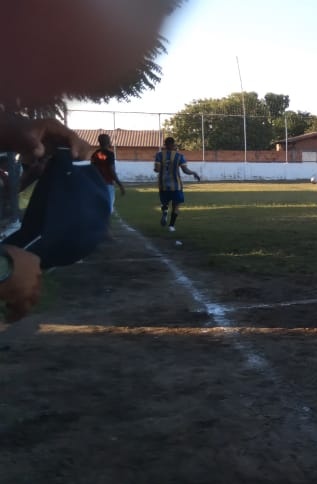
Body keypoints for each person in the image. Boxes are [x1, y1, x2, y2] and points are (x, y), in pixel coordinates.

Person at [0, 0, 181, 322]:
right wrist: (6, 265)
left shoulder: (94, 152)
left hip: (98, 181)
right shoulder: (102, 154)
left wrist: (10, 132)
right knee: (98, 213)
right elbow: (105, 168)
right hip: (102, 182)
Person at [154, 136, 201, 231]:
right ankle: (171, 226)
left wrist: (157, 168)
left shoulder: (159, 155)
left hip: (163, 184)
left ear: (165, 145)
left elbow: (157, 170)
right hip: (176, 185)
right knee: (176, 205)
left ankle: (165, 212)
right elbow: (185, 170)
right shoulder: (179, 156)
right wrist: (193, 173)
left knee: (164, 203)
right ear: (173, 144)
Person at [89, 133, 126, 214]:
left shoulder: (94, 154)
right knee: (107, 209)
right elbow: (111, 170)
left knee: (98, 208)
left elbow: (91, 169)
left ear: (99, 142)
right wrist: (120, 185)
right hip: (107, 184)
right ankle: (104, 226)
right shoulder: (110, 154)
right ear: (108, 141)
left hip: (96, 184)